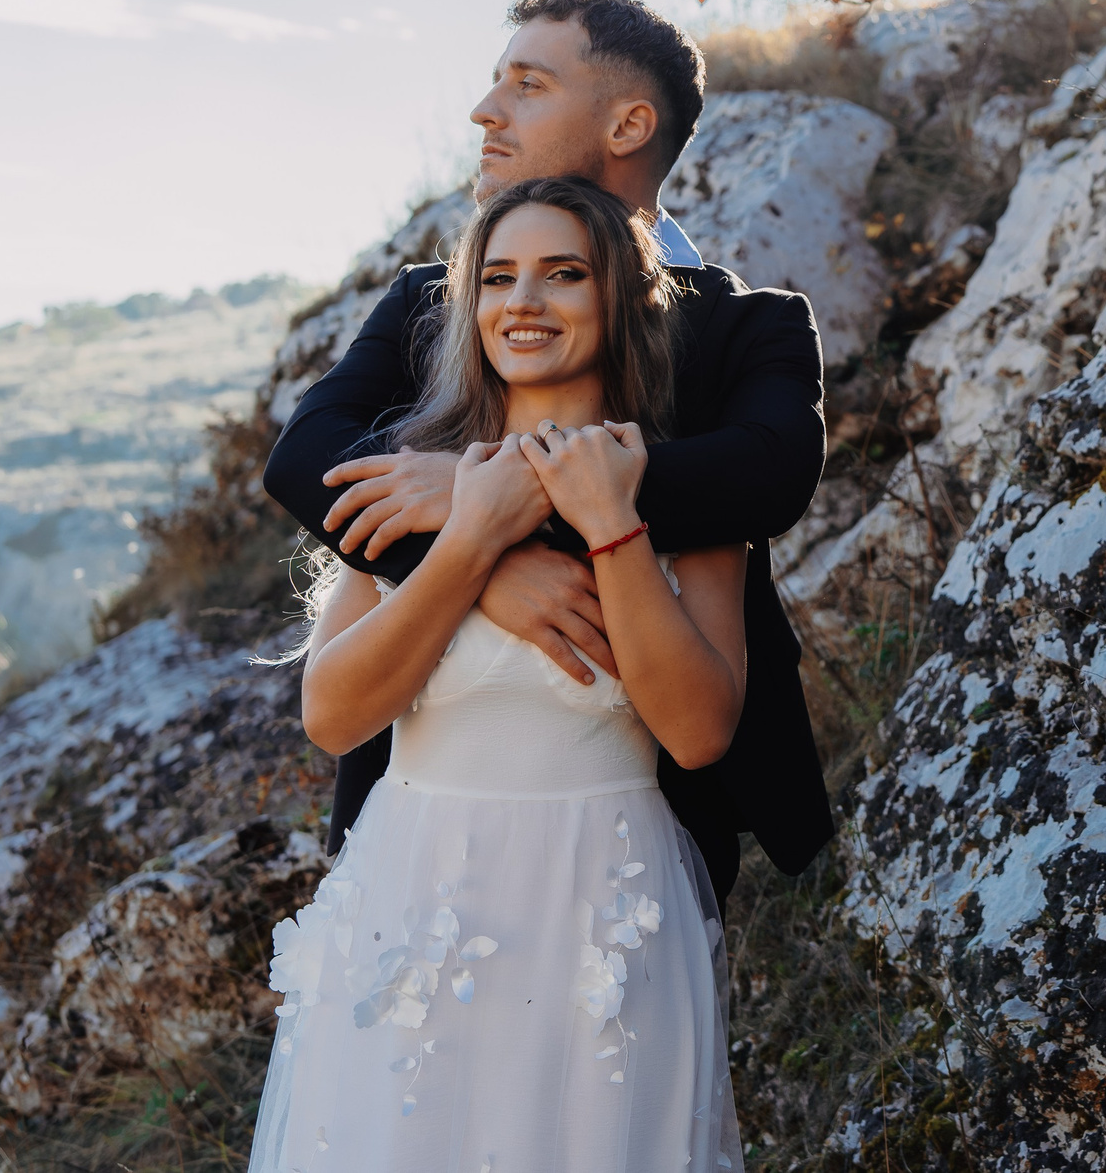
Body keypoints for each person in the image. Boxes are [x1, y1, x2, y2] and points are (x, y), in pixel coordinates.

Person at [262, 0, 833, 900]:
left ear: (628, 123)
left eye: (527, 84)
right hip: (420, 825)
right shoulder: (432, 300)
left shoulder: (746, 328)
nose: (486, 111)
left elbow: (767, 476)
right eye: (497, 83)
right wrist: (480, 564)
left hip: (646, 839)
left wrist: (484, 490)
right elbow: (303, 459)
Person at [251, 178, 744, 1171]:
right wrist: (471, 544)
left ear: (621, 302)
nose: (524, 301)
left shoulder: (687, 489)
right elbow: (336, 715)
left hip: (600, 909)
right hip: (413, 895)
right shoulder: (411, 476)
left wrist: (612, 524)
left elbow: (697, 733)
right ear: (469, 307)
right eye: (498, 277)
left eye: (564, 274)